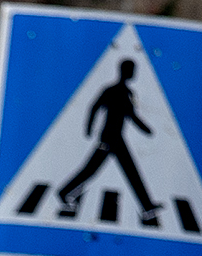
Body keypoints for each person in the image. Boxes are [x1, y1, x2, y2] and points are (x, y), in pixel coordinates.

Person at [55, 58, 162, 224]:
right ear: (124, 71)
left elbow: (131, 115)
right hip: (108, 139)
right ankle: (64, 192)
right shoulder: (111, 90)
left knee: (132, 172)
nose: (134, 73)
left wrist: (146, 129)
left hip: (117, 139)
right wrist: (89, 129)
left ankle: (147, 207)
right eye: (131, 70)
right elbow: (94, 107)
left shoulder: (128, 93)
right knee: (90, 170)